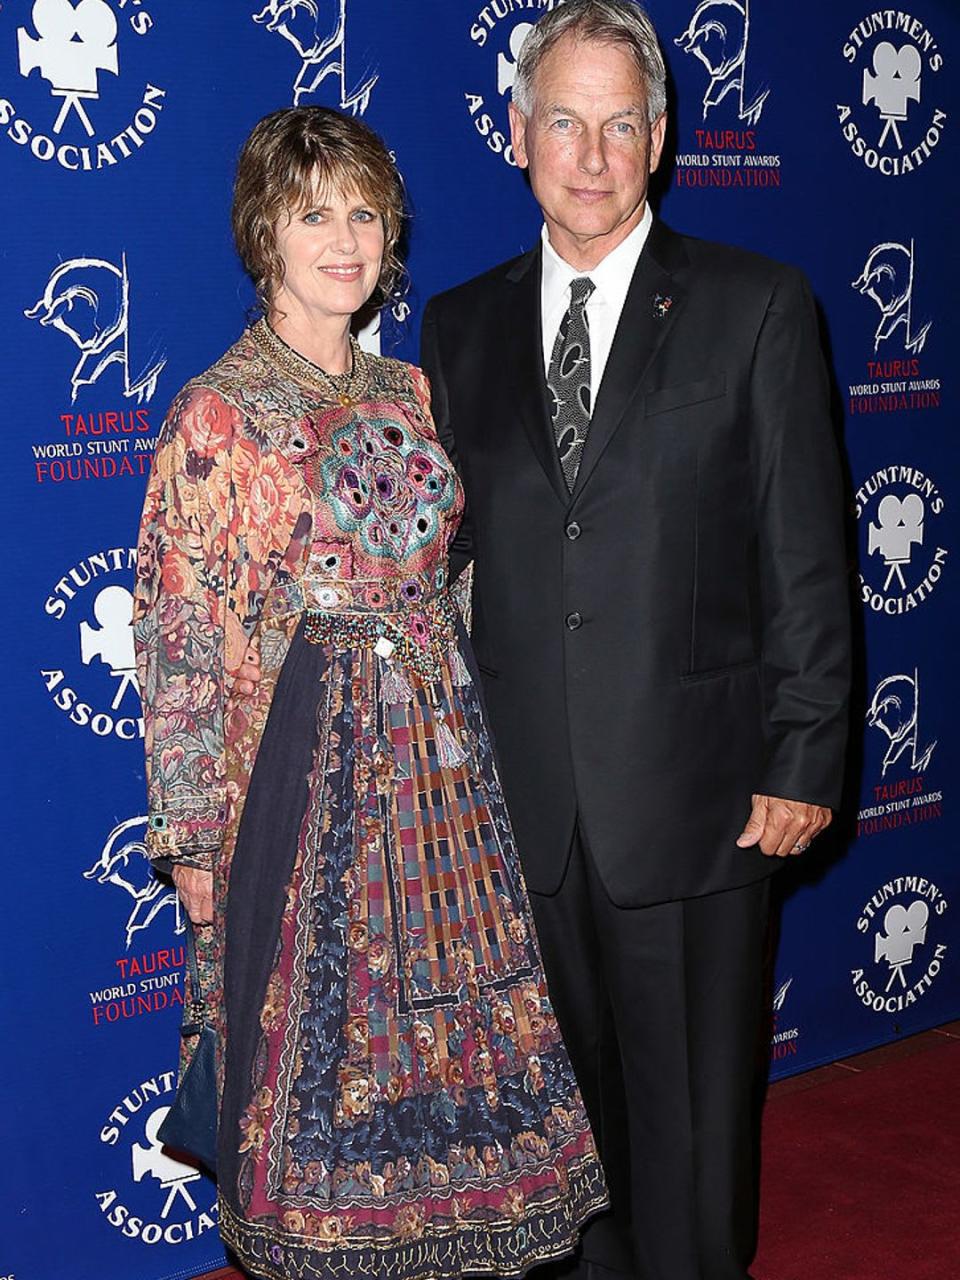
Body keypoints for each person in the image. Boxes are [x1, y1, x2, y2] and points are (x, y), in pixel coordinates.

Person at [133, 105, 606, 1280]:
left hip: (447, 783)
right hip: (300, 788)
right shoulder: (217, 412)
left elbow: (471, 574)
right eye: (313, 214)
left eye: (363, 211)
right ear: (264, 234)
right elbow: (178, 636)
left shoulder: (416, 389)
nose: (344, 239)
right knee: (318, 1080)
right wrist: (195, 837)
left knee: (459, 1057)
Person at [419, 4, 852, 1279]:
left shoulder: (755, 306)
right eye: (565, 120)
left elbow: (808, 556)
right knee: (566, 1164)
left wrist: (806, 752)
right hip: (524, 815)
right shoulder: (459, 326)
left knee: (693, 1152)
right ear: (517, 134)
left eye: (621, 124)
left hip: (702, 802)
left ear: (661, 139)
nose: (592, 153)